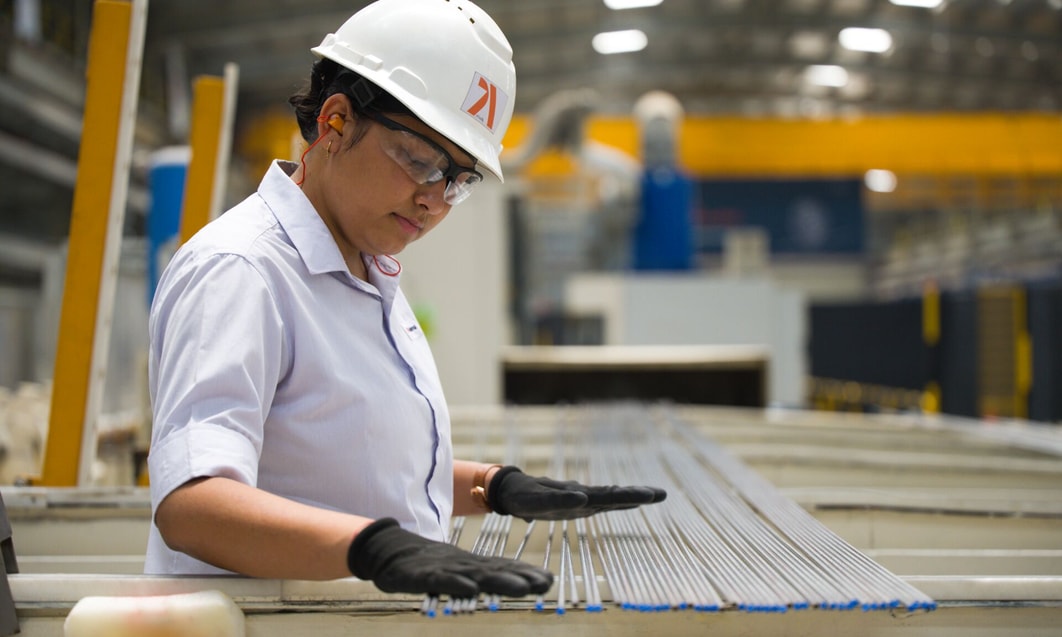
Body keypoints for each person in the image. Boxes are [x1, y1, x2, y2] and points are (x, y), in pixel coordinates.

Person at [145, 0, 665, 601]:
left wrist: (491, 486)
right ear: (336, 122)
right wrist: (376, 549)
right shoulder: (242, 271)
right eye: (420, 163)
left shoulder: (367, 272)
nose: (435, 201)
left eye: (459, 181)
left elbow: (353, 468)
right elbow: (193, 504)